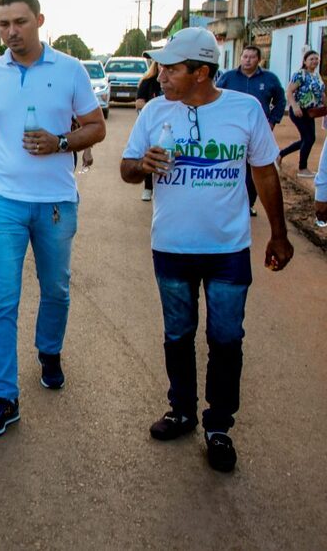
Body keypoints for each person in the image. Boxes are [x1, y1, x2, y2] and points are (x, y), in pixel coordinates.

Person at [120, 26, 293, 473]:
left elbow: (265, 174)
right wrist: (143, 166)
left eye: (171, 69)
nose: (161, 76)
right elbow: (126, 168)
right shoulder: (155, 111)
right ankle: (181, 410)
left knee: (226, 338)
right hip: (172, 248)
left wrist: (278, 233)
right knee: (177, 333)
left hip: (228, 249)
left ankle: (219, 426)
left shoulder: (245, 110)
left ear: (200, 72)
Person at [0, 0, 106, 437]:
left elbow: (96, 127)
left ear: (40, 21)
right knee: (2, 300)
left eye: (19, 22)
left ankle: (49, 350)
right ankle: (4, 397)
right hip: (3, 200)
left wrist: (60, 142)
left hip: (55, 202)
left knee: (57, 289)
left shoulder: (69, 71)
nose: (10, 32)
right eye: (3, 23)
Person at [216, 45, 286, 214]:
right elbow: (215, 98)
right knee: (230, 164)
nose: (247, 60)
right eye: (245, 56)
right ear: (240, 58)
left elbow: (281, 101)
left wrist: (272, 121)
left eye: (252, 57)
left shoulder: (270, 79)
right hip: (230, 130)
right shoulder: (228, 78)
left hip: (257, 130)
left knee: (255, 166)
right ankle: (225, 201)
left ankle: (248, 204)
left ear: (259, 60)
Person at [279, 49, 324, 178]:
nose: (314, 61)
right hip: (299, 111)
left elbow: (321, 93)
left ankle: (281, 154)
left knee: (307, 139)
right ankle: (302, 168)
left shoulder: (317, 76)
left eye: (316, 58)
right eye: (311, 59)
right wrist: (294, 106)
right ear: (305, 61)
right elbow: (289, 91)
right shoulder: (300, 74)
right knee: (309, 138)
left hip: (310, 112)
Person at [135, 61, 163, 202]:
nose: (163, 68)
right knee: (149, 154)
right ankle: (148, 188)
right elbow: (138, 103)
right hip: (152, 125)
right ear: (156, 65)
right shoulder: (147, 82)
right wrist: (156, 107)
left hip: (169, 126)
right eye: (161, 64)